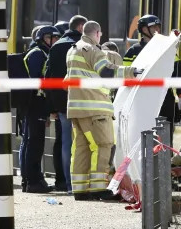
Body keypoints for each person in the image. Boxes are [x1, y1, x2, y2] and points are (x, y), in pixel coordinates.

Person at [65, 21, 140, 200]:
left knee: (81, 149)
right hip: (94, 107)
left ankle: (80, 190)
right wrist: (132, 72)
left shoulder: (72, 50)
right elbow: (106, 71)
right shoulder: (92, 50)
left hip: (76, 108)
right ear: (98, 33)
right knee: (103, 145)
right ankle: (99, 188)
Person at [44, 15, 87, 193]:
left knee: (66, 144)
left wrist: (53, 106)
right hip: (85, 102)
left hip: (63, 104)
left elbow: (49, 78)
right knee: (85, 144)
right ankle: (82, 183)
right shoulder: (85, 46)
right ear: (81, 27)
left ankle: (69, 184)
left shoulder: (57, 46)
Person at [123, 14, 181, 133]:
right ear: (144, 30)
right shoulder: (133, 52)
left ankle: (166, 152)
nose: (158, 30)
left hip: (165, 98)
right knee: (143, 131)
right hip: (141, 98)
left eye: (158, 27)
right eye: (154, 27)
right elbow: (125, 75)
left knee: (166, 132)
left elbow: (177, 71)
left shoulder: (165, 49)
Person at [21, 24, 60, 193]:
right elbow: (37, 80)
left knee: (36, 142)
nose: (55, 41)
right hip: (34, 103)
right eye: (52, 38)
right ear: (43, 38)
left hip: (37, 103)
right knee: (34, 143)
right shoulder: (37, 54)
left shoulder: (43, 52)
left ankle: (34, 179)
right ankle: (32, 181)